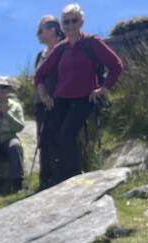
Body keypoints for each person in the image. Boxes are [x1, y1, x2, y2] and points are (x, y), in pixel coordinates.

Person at [36, 3, 123, 190]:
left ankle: (74, 180)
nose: (70, 25)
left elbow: (116, 65)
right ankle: (56, 181)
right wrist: (43, 95)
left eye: (74, 21)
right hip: (61, 99)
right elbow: (40, 75)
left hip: (85, 98)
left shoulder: (92, 42)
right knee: (52, 136)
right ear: (62, 25)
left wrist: (103, 89)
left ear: (81, 22)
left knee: (66, 134)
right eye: (66, 22)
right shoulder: (61, 48)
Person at [33, 15, 65, 189]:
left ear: (53, 30)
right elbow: (37, 79)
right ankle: (45, 180)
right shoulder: (40, 55)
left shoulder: (64, 49)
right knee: (43, 140)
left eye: (40, 30)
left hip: (59, 101)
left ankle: (58, 179)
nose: (37, 34)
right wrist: (42, 97)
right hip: (41, 102)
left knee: (56, 139)